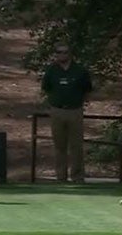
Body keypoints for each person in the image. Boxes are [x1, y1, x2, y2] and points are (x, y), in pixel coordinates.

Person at [41, 43, 92, 183]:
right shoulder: (52, 70)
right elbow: (46, 88)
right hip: (57, 110)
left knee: (76, 146)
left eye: (64, 52)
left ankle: (77, 176)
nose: (61, 55)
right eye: (58, 52)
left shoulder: (79, 70)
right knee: (59, 145)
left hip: (75, 110)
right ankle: (61, 177)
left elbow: (87, 89)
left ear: (70, 54)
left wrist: (81, 103)